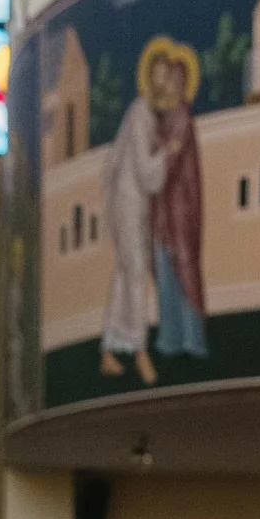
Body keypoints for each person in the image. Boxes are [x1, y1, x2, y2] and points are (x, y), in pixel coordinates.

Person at [100, 50, 173, 384]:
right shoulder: (141, 113)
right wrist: (167, 154)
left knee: (125, 273)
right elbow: (145, 171)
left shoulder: (141, 114)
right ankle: (140, 351)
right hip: (129, 203)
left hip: (127, 202)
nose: (162, 81)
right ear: (149, 77)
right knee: (136, 272)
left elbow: (114, 160)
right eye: (158, 74)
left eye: (166, 75)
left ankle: (110, 350)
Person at [151, 50, 209, 361]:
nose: (171, 85)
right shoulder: (165, 117)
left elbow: (170, 161)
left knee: (184, 269)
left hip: (181, 211)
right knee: (165, 270)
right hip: (164, 212)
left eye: (176, 80)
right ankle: (170, 338)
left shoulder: (183, 117)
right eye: (168, 79)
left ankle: (193, 338)